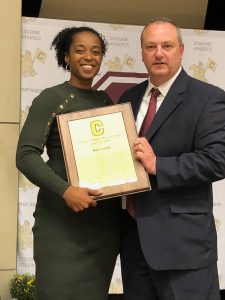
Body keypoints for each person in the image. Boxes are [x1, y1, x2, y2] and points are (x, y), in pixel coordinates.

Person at [118, 17, 225, 300]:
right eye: (150, 46)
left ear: (181, 50)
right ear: (141, 53)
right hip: (134, 241)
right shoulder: (128, 97)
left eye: (167, 45)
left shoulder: (208, 98)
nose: (158, 53)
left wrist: (159, 165)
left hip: (183, 248)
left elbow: (218, 159)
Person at [16, 26, 121, 300]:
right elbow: (25, 155)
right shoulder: (51, 98)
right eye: (80, 50)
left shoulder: (105, 100)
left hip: (102, 228)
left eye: (96, 51)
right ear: (66, 57)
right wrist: (66, 190)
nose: (89, 56)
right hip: (60, 225)